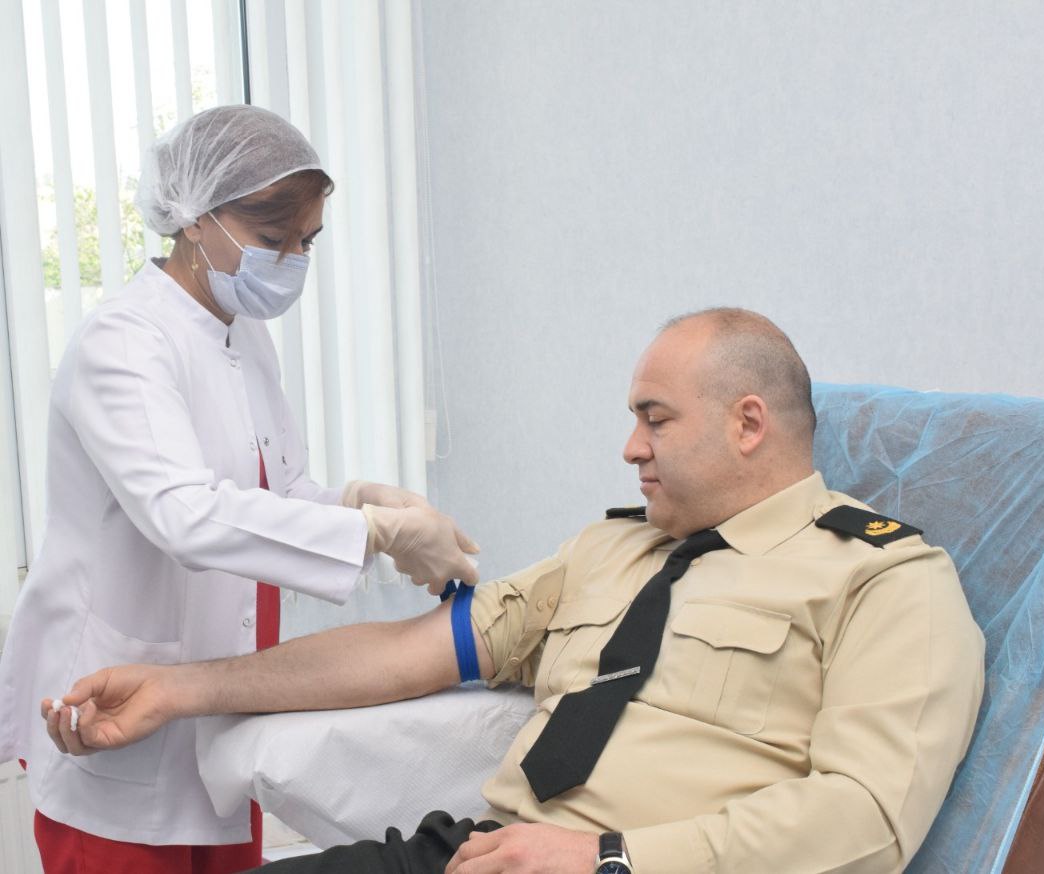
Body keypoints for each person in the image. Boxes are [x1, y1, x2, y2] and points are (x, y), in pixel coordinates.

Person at [44, 308, 986, 874]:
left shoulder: (883, 580)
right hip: (478, 851)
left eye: (655, 419)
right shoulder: (611, 551)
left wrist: (608, 859)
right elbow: (408, 654)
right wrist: (181, 689)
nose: (630, 447)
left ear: (748, 424)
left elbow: (867, 820)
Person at [0, 104, 481, 874]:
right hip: (112, 709)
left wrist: (356, 504)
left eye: (306, 243)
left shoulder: (242, 333)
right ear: (196, 217)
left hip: (219, 706)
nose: (292, 260)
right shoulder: (123, 342)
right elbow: (185, 515)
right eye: (273, 239)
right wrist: (371, 533)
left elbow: (275, 490)